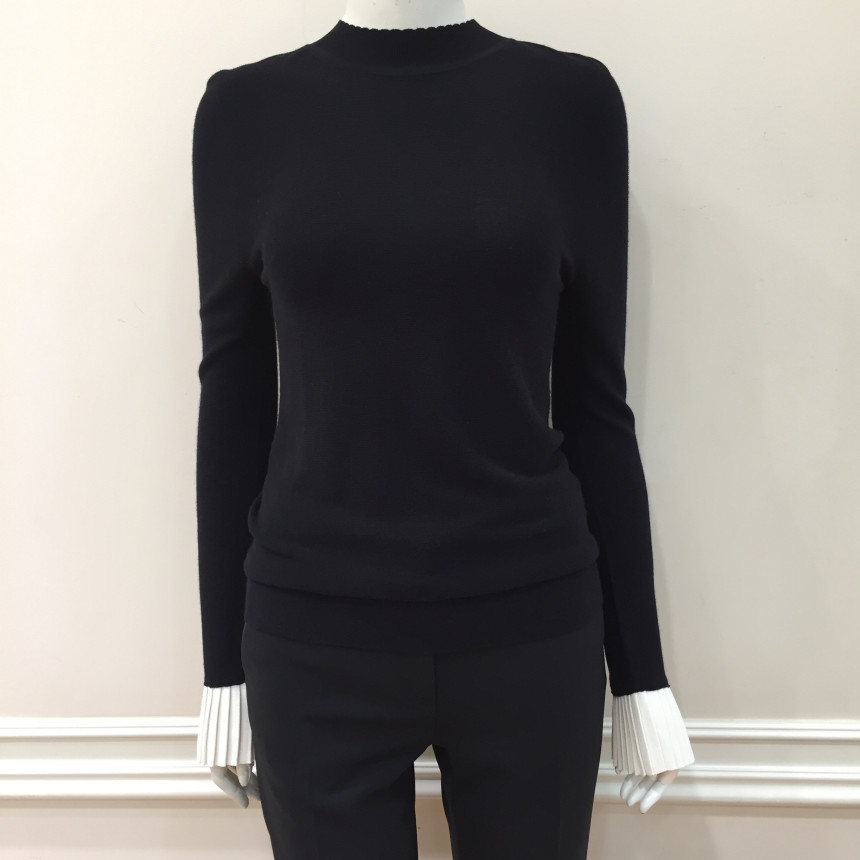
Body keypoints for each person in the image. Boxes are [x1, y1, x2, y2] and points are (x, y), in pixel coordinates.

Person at [191, 2, 695, 857]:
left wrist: (641, 672)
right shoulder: (246, 111)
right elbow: (233, 400)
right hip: (314, 640)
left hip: (531, 631)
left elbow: (596, 403)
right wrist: (222, 669)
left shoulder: (569, 101)